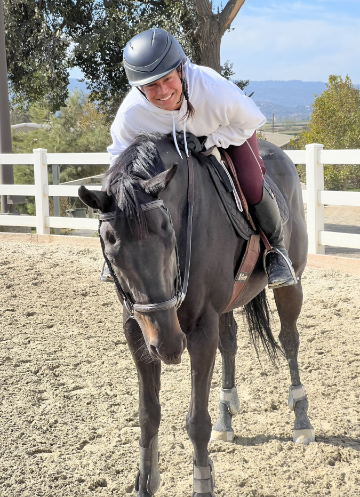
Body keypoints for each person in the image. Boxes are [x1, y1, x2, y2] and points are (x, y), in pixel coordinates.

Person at [101, 28, 296, 289]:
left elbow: (250, 121)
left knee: (250, 182)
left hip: (228, 134)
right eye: (151, 85)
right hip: (173, 152)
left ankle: (277, 251)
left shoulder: (213, 89)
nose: (162, 92)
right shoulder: (131, 114)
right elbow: (119, 156)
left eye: (168, 79)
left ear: (181, 70)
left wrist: (208, 141)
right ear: (139, 87)